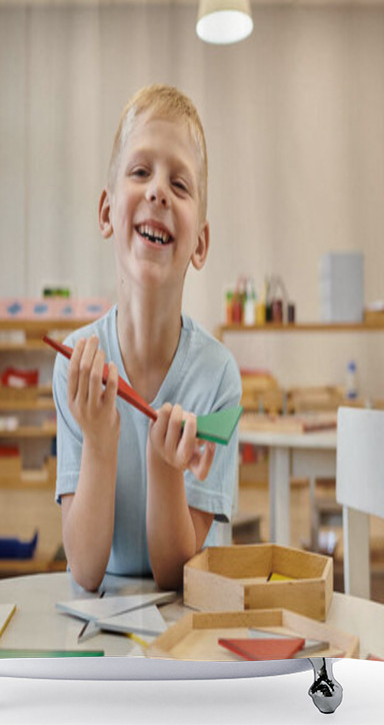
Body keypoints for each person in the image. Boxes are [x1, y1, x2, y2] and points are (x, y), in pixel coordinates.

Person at [53, 84, 242, 592]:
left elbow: (177, 575)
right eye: (140, 172)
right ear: (107, 212)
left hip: (189, 636)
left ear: (199, 243)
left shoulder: (218, 377)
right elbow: (86, 569)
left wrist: (166, 469)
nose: (158, 190)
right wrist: (98, 440)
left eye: (180, 185)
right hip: (98, 633)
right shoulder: (76, 365)